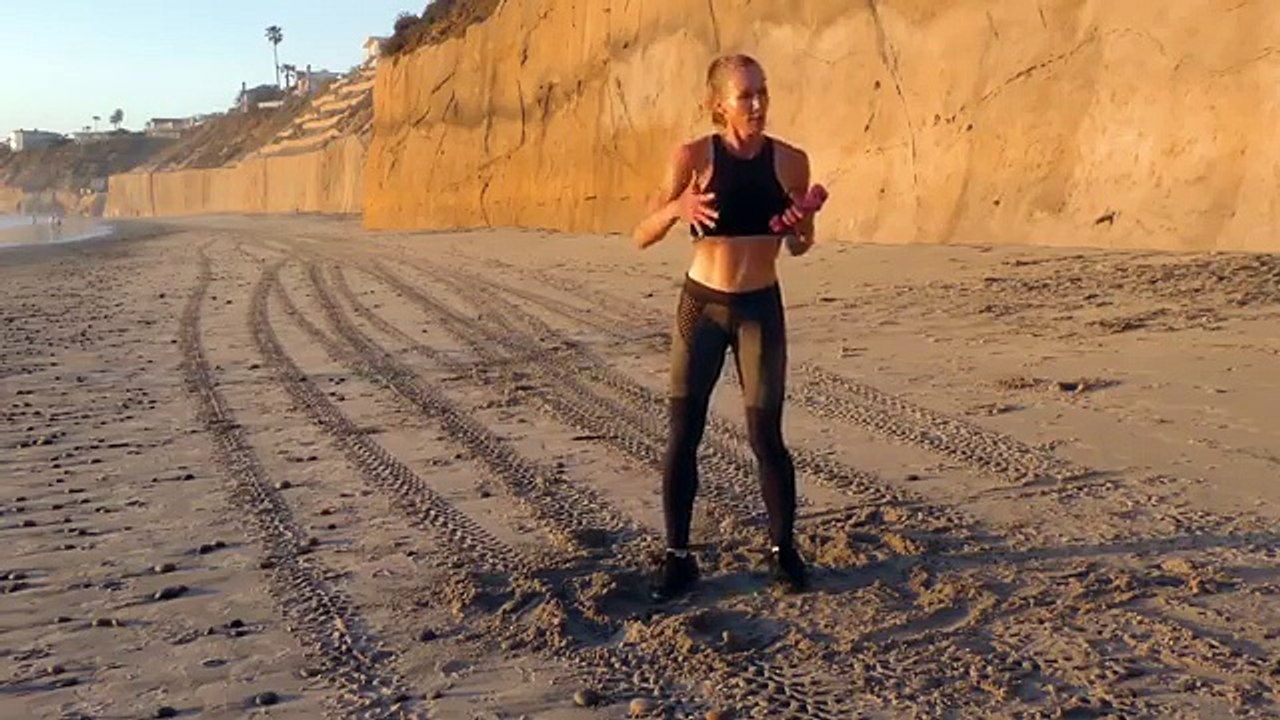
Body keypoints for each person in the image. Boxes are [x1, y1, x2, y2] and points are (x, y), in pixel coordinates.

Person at [631, 53, 822, 601]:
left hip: (760, 307)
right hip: (703, 307)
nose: (758, 104)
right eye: (745, 95)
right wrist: (676, 208)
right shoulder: (692, 157)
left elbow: (801, 245)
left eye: (763, 92)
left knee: (766, 436)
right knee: (684, 434)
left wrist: (802, 223)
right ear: (719, 104)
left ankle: (783, 552)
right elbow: (641, 234)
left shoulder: (791, 161)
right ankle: (678, 558)